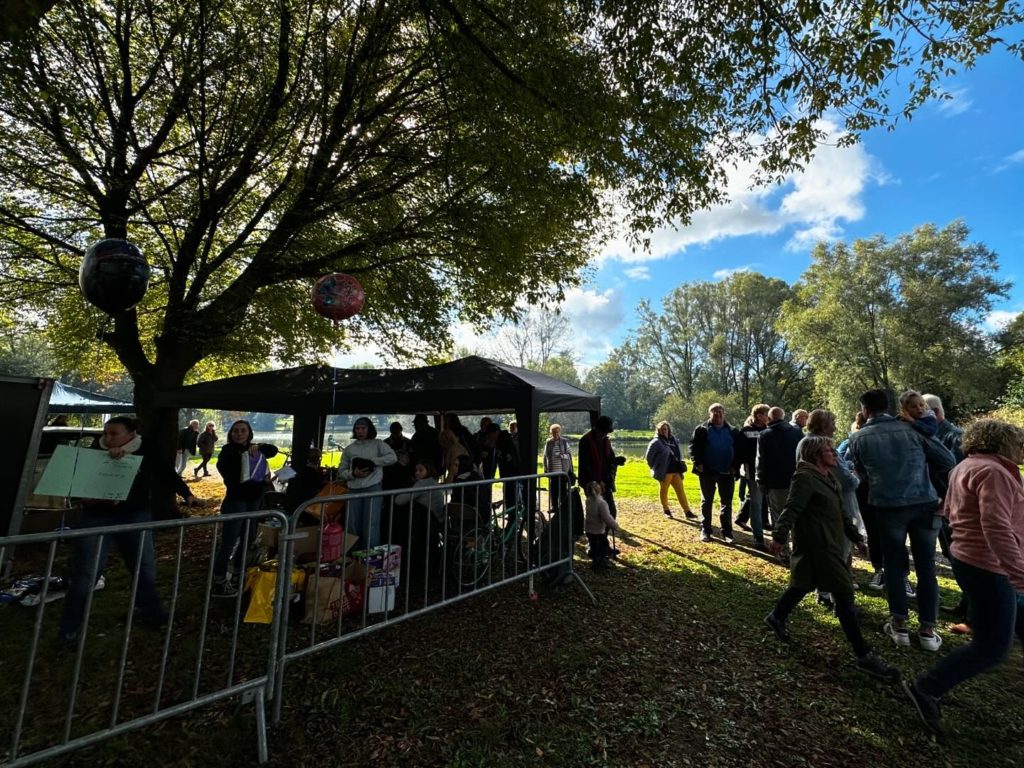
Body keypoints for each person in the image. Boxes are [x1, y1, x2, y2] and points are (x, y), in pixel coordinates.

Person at [902, 419, 1024, 740]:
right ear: (1001, 443)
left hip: (972, 560)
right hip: (989, 565)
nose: (1022, 448)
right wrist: (1018, 572)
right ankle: (926, 688)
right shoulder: (993, 472)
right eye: (1018, 442)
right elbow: (996, 527)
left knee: (1012, 624)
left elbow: (954, 510)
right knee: (993, 647)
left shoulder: (966, 465)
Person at [763, 436, 899, 683]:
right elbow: (791, 508)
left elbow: (842, 512)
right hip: (819, 546)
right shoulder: (804, 477)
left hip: (830, 544)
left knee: (802, 585)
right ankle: (864, 654)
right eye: (830, 451)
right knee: (844, 594)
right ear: (816, 454)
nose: (835, 454)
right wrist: (779, 536)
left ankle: (776, 617)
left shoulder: (829, 477)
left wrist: (856, 538)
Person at [59, 416, 199, 643]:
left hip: (134, 515)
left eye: (114, 433)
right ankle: (70, 630)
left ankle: (152, 613)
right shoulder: (96, 449)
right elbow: (79, 481)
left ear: (131, 434)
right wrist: (88, 498)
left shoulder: (146, 449)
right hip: (96, 517)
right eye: (106, 433)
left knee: (143, 568)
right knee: (86, 573)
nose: (108, 437)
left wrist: (187, 493)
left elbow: (165, 471)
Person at [846, 389, 956, 652]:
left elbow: (861, 472)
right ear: (891, 407)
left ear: (864, 411)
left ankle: (899, 624)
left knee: (894, 566)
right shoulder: (914, 430)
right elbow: (948, 459)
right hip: (924, 504)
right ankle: (928, 630)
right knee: (927, 567)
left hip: (888, 507)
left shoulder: (858, 438)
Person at [796, 409, 864, 610]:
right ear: (824, 425)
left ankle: (826, 593)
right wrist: (856, 476)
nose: (835, 427)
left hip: (818, 505)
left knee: (828, 552)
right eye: (832, 423)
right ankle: (838, 600)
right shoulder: (823, 446)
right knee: (839, 553)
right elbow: (846, 480)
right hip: (835, 505)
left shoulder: (804, 442)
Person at [213, 420, 274, 596]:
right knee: (229, 543)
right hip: (236, 502)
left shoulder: (255, 449)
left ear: (249, 433)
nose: (239, 434)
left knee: (248, 539)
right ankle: (219, 580)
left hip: (254, 501)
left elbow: (273, 451)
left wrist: (259, 447)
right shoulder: (227, 452)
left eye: (243, 431)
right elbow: (231, 478)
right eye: (236, 431)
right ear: (231, 434)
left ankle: (238, 573)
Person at [339, 417, 397, 549]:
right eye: (357, 428)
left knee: (371, 523)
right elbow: (341, 470)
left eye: (363, 428)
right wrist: (353, 474)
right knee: (352, 524)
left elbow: (392, 457)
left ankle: (370, 557)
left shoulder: (378, 444)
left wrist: (374, 462)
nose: (360, 431)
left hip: (373, 487)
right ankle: (352, 555)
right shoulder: (349, 449)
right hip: (354, 489)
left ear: (369, 429)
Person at [689, 403, 742, 543]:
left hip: (727, 472)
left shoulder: (733, 431)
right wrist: (698, 463)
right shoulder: (701, 429)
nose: (718, 415)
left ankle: (727, 533)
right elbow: (693, 448)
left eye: (720, 412)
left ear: (724, 414)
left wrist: (735, 467)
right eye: (714, 412)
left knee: (727, 503)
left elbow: (740, 451)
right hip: (707, 471)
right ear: (709, 414)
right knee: (707, 501)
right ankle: (705, 530)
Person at [756, 407, 804, 537]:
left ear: (770, 419)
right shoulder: (797, 433)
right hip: (796, 480)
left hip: (775, 482)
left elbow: (761, 460)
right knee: (796, 516)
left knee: (778, 517)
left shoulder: (765, 435)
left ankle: (782, 551)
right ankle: (797, 549)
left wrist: (760, 479)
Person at [578, 415, 626, 520]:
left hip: (605, 480)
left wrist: (617, 460)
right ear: (597, 428)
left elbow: (609, 458)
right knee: (597, 512)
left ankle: (603, 533)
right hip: (591, 482)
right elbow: (585, 465)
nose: (605, 434)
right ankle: (597, 534)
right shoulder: (585, 441)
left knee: (611, 511)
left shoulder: (605, 441)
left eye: (606, 432)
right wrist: (597, 482)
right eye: (603, 431)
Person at [734, 404, 770, 544]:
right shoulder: (746, 431)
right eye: (767, 415)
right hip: (752, 472)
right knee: (756, 504)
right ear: (759, 415)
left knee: (765, 503)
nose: (769, 417)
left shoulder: (769, 431)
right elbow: (739, 453)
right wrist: (737, 469)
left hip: (768, 473)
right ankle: (758, 536)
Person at [644, 421, 695, 520]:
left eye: (665, 429)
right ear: (658, 431)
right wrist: (656, 468)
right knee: (664, 491)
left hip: (675, 471)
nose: (664, 431)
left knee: (681, 491)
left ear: (668, 430)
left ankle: (687, 511)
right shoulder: (656, 442)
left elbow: (677, 453)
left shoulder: (673, 440)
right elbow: (649, 458)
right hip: (664, 472)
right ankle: (666, 510)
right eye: (661, 429)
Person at [584, 481, 618, 570]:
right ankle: (599, 561)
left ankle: (593, 554)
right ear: (601, 491)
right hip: (598, 530)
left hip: (589, 529)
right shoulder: (602, 503)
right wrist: (614, 525)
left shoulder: (588, 501)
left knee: (593, 543)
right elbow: (607, 517)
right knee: (603, 546)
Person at [543, 423, 575, 512]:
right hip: (553, 471)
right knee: (553, 490)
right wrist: (545, 469)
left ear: (560, 432)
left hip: (563, 471)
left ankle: (563, 507)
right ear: (551, 433)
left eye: (557, 432)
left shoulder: (564, 442)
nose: (555, 434)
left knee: (562, 490)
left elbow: (569, 455)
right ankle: (554, 507)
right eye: (553, 432)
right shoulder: (548, 442)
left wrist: (562, 456)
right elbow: (545, 456)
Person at [382, 421, 414, 490]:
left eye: (397, 432)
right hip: (390, 473)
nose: (396, 434)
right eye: (394, 432)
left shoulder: (408, 442)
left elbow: (412, 458)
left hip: (405, 473)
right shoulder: (384, 443)